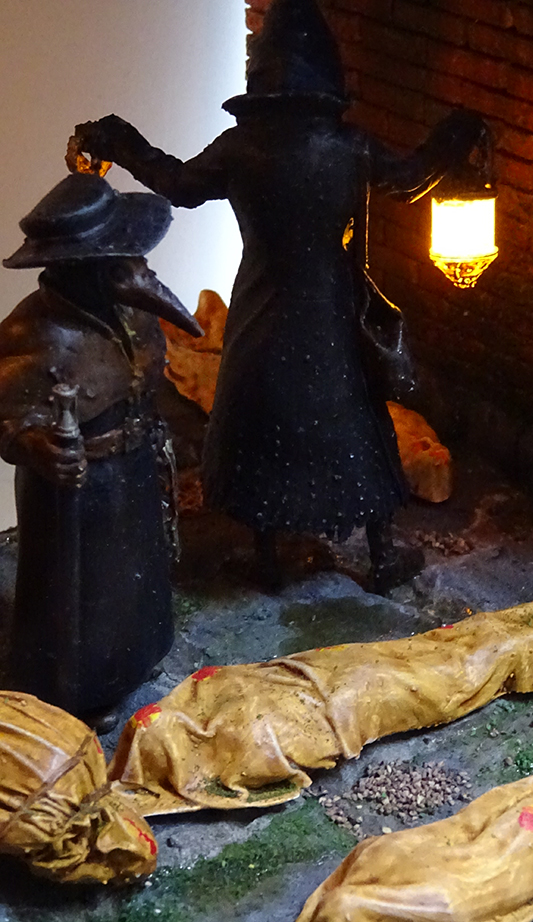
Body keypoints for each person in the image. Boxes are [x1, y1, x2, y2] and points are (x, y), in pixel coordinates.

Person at [71, 0, 488, 591]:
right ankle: (380, 556)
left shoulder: (241, 146)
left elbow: (178, 184)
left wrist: (119, 140)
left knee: (259, 414)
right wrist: (456, 132)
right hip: (331, 304)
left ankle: (266, 558)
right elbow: (409, 177)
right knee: (354, 418)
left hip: (263, 302)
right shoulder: (348, 145)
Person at [0, 171, 201, 726]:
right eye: (121, 264)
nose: (139, 273)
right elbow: (6, 415)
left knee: (135, 578)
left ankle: (136, 659)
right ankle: (83, 689)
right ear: (84, 268)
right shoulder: (29, 335)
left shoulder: (131, 316)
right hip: (76, 490)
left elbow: (147, 380)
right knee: (85, 593)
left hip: (132, 471)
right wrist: (36, 444)